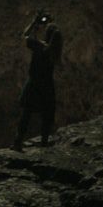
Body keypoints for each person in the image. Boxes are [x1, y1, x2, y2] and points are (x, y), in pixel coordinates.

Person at [13, 13, 62, 150]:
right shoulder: (54, 53)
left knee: (26, 114)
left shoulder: (39, 46)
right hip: (47, 86)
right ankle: (44, 143)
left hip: (33, 84)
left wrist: (34, 23)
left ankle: (18, 142)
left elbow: (24, 37)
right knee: (47, 115)